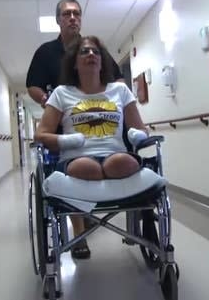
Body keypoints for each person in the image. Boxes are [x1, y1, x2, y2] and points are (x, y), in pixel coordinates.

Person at [35, 36, 148, 259]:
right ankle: (80, 229)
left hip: (114, 155)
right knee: (86, 167)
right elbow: (40, 134)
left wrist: (136, 135)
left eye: (95, 52)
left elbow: (142, 130)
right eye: (84, 52)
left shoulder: (120, 91)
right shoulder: (62, 93)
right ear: (74, 63)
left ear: (102, 61)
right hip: (77, 158)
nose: (91, 55)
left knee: (123, 161)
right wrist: (66, 141)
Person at [26, 0, 123, 108]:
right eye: (67, 14)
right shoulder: (45, 52)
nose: (73, 18)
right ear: (58, 20)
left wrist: (117, 102)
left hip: (99, 112)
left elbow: (119, 79)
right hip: (62, 116)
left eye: (76, 14)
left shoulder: (95, 49)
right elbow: (33, 86)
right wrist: (48, 101)